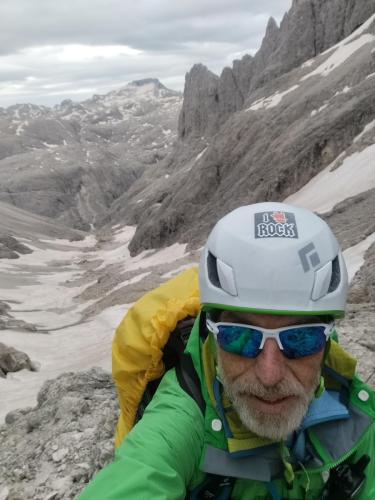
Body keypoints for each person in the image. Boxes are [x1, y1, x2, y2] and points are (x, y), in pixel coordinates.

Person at [80, 202, 375, 499]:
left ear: (326, 342)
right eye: (239, 338)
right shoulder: (179, 425)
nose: (270, 375)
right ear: (211, 332)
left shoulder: (350, 401)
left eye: (301, 339)